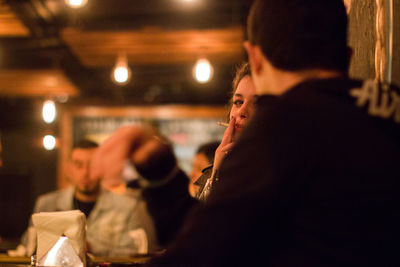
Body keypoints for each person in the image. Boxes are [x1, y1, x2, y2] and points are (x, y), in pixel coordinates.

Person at [21, 139, 158, 257]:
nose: (85, 172)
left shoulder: (128, 207)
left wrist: (91, 247)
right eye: (79, 165)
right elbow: (29, 247)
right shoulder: (47, 204)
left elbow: (134, 254)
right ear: (69, 168)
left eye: (92, 165)